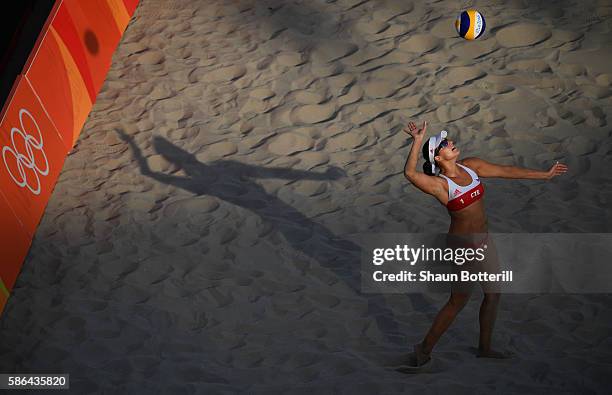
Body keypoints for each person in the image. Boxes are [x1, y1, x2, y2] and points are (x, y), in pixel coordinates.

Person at [402, 120, 568, 367]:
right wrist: (417, 141)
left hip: (484, 241)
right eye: (444, 145)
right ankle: (423, 350)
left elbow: (506, 171)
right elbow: (410, 173)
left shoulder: (471, 166)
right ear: (437, 158)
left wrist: (543, 175)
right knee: (458, 301)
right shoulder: (439, 185)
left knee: (493, 294)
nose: (450, 143)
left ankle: (485, 348)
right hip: (462, 246)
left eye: (448, 141)